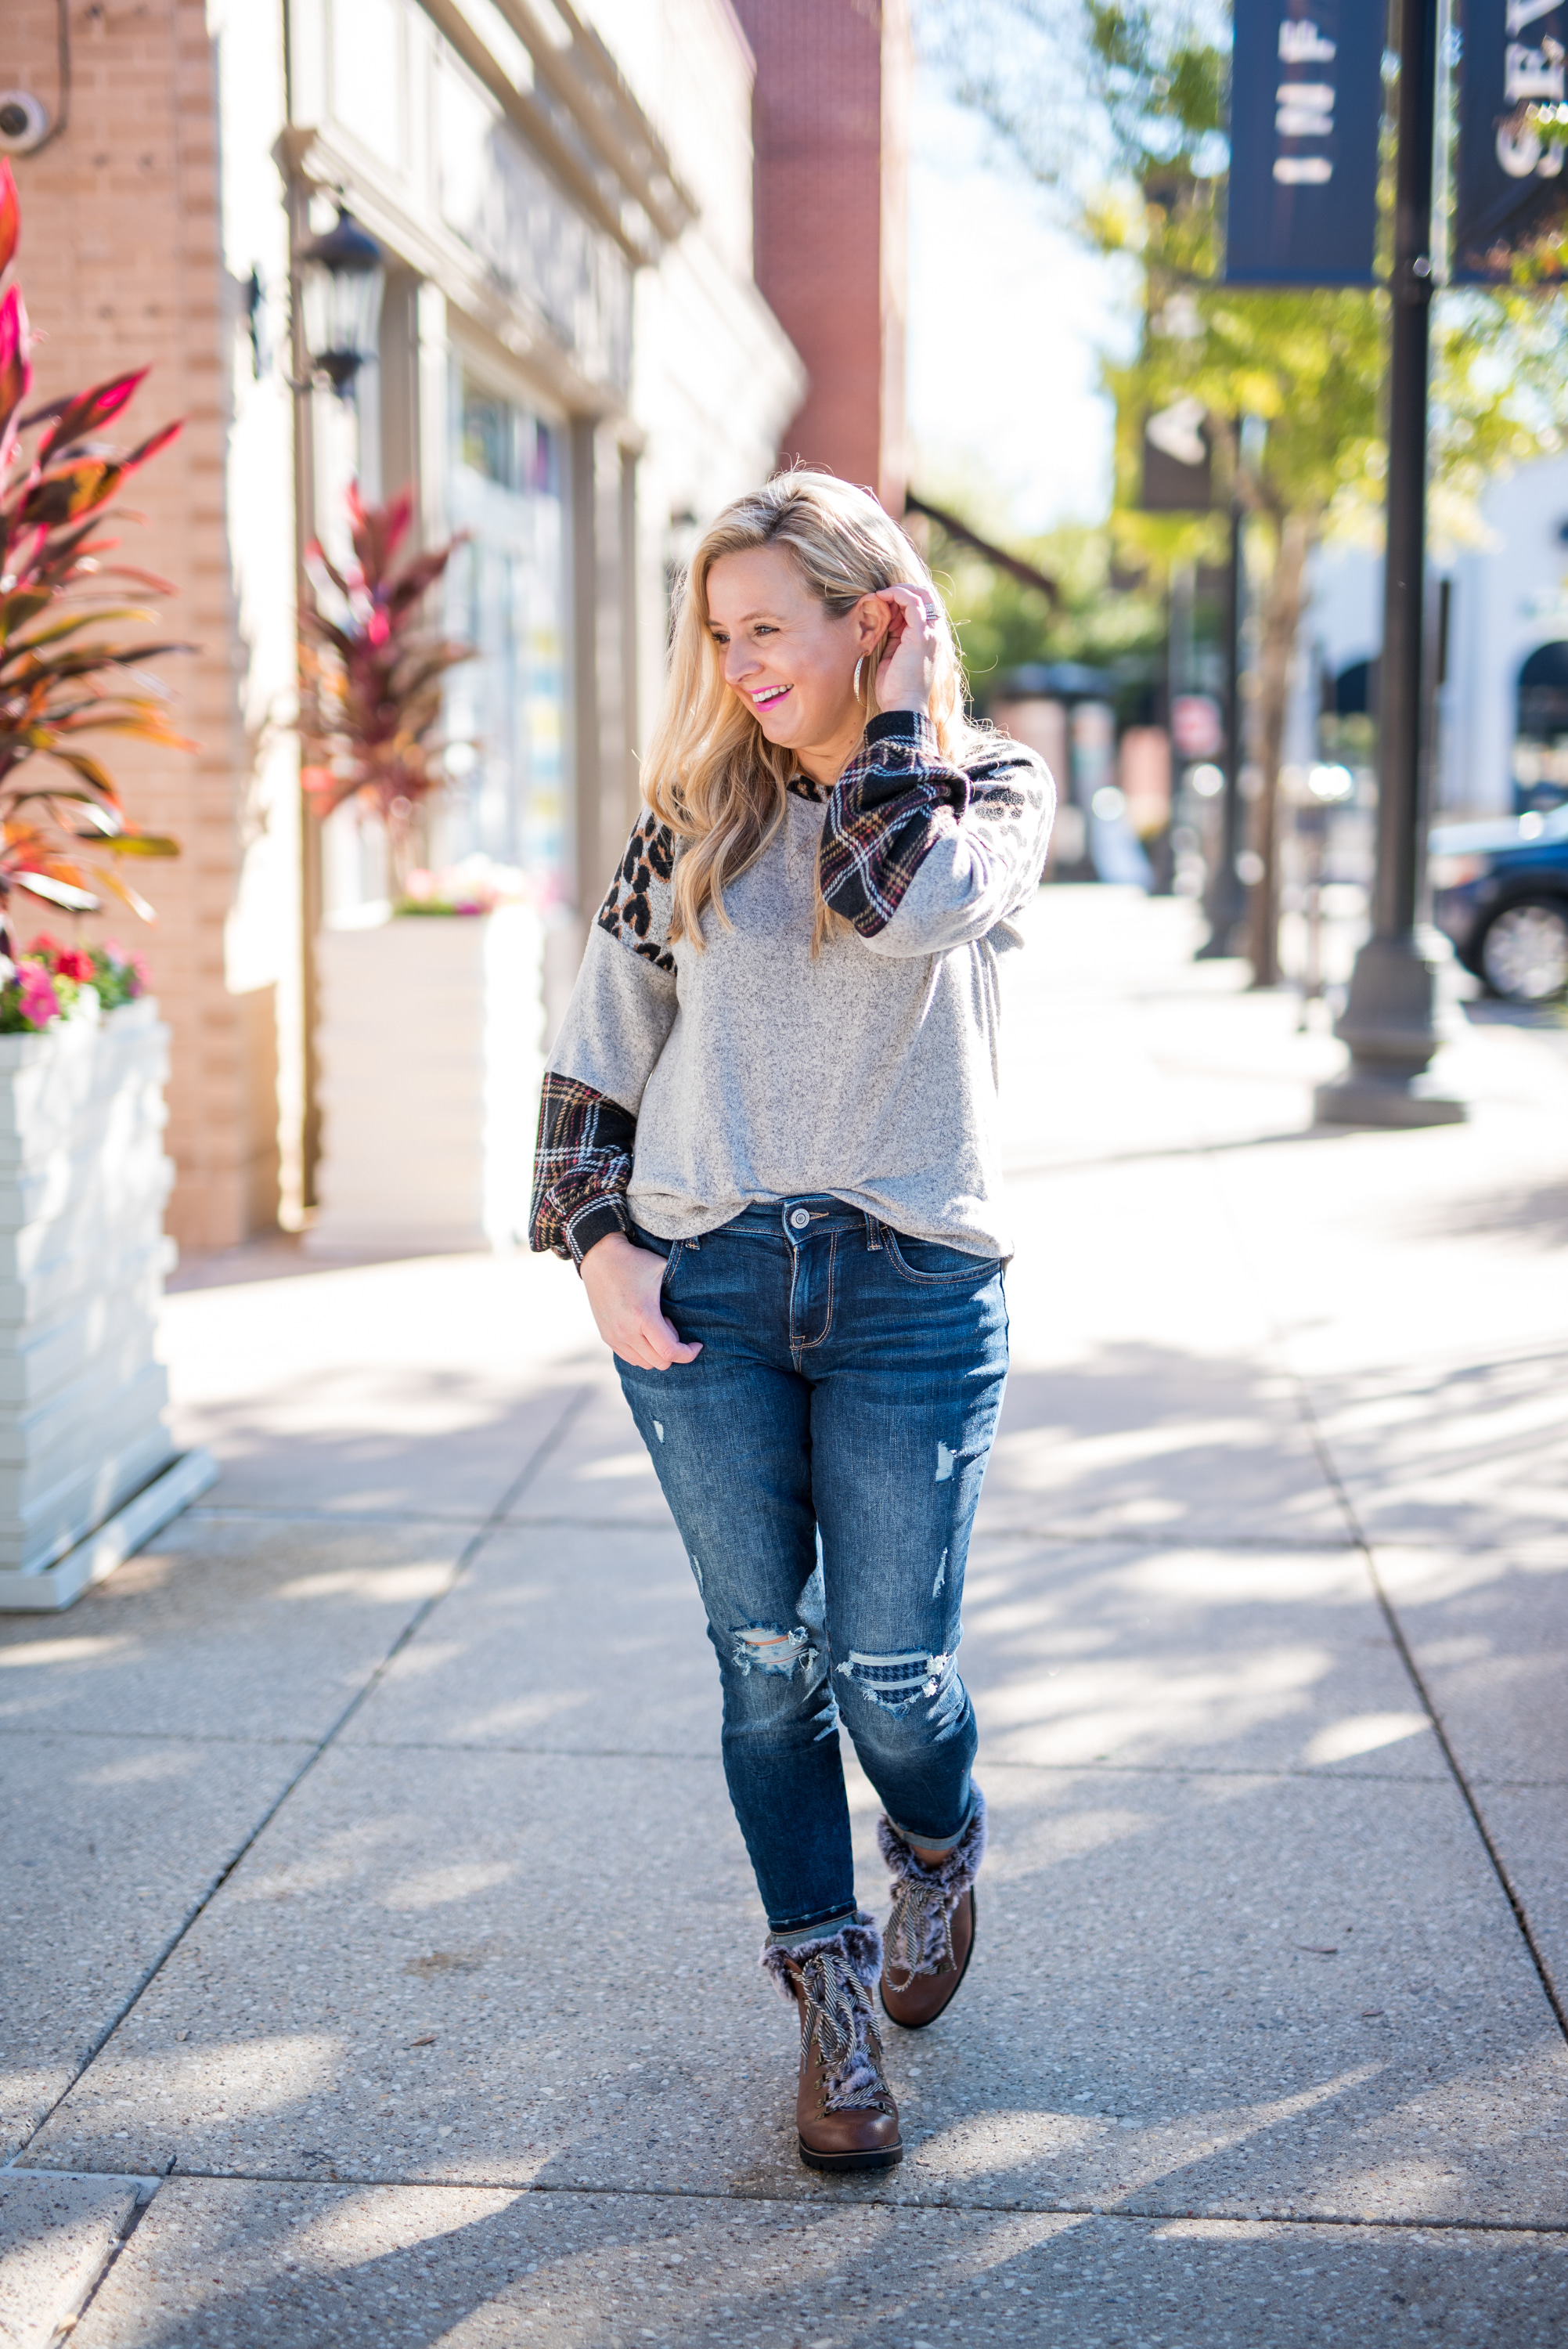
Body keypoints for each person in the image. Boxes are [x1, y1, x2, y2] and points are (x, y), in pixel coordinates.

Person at [530, 470, 1054, 2173]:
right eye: (722, 632)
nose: (741, 663)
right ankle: (828, 2006)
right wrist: (598, 1243)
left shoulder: (990, 789)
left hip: (914, 1287)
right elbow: (598, 1040)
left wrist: (900, 714)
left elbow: (901, 898)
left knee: (893, 1673)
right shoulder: (691, 812)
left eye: (775, 627)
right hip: (715, 1276)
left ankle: (941, 1839)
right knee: (767, 1669)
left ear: (872, 617)